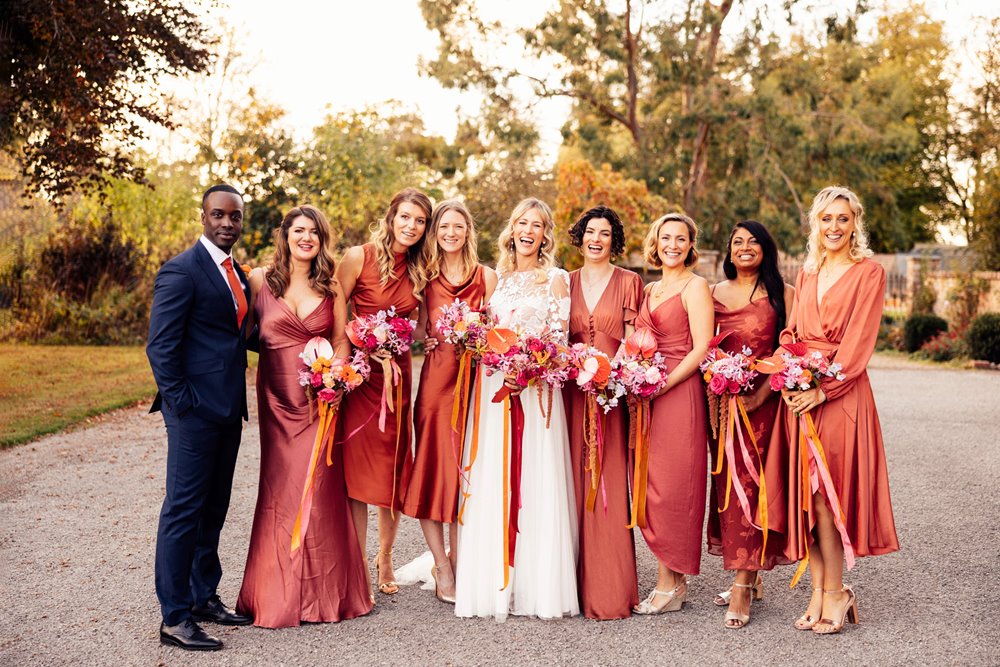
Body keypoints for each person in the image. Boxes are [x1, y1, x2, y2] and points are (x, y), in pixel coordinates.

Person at [765, 186, 899, 634]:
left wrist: (823, 391)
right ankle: (819, 592)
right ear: (815, 224)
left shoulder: (869, 273)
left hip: (838, 397)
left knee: (829, 496)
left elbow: (858, 342)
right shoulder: (806, 272)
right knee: (809, 495)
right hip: (800, 392)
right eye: (826, 219)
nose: (835, 227)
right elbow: (793, 332)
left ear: (855, 223)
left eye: (843, 218)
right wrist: (786, 370)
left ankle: (838, 594)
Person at [235, 205, 373, 627]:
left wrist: (335, 378)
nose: (306, 237)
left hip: (320, 401)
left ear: (321, 238)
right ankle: (274, 591)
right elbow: (238, 333)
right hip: (276, 403)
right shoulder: (260, 280)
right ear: (286, 235)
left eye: (314, 231)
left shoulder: (331, 285)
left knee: (320, 484)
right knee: (280, 492)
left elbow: (340, 340)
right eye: (299, 230)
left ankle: (327, 593)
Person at [454, 198, 579, 621]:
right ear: (512, 229)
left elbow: (560, 344)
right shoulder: (498, 279)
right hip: (495, 389)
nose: (528, 230)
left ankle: (537, 584)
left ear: (546, 234)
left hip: (536, 392)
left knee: (535, 477)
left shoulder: (557, 279)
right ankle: (492, 578)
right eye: (522, 223)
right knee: (495, 476)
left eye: (538, 225)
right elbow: (487, 334)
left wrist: (527, 369)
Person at [147, 184, 253, 651]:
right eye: (218, 214)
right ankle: (174, 617)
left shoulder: (238, 274)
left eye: (234, 216)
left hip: (229, 408)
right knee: (183, 510)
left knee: (214, 508)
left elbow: (238, 336)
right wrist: (182, 403)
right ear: (204, 216)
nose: (227, 223)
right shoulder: (181, 271)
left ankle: (203, 596)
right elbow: (160, 347)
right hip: (194, 413)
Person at [335, 188, 431, 597]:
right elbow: (337, 303)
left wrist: (416, 341)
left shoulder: (423, 269)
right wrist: (350, 345)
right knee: (358, 472)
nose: (411, 226)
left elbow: (423, 328)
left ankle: (386, 555)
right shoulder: (359, 257)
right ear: (391, 217)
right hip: (361, 375)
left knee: (391, 471)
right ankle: (357, 562)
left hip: (398, 375)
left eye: (420, 220)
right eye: (405, 217)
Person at [402, 200, 497, 603]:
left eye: (458, 226)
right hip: (437, 385)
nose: (451, 233)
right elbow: (414, 329)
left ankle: (461, 559)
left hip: (475, 384)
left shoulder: (487, 277)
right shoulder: (423, 278)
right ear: (435, 232)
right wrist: (429, 337)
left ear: (468, 231)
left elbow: (500, 330)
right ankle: (442, 567)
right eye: (444, 226)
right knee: (432, 472)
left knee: (466, 476)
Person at [705, 220, 794, 629]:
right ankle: (749, 573)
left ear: (766, 249)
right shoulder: (713, 293)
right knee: (729, 486)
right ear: (728, 250)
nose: (744, 247)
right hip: (723, 407)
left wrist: (761, 394)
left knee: (757, 487)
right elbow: (703, 346)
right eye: (737, 241)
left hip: (765, 406)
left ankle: (742, 585)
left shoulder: (783, 295)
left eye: (752, 241)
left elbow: (791, 350)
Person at [631, 213, 713, 615]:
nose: (673, 245)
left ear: (690, 244)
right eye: (667, 238)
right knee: (651, 483)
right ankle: (674, 580)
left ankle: (667, 585)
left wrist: (662, 384)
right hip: (649, 393)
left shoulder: (696, 286)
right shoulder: (650, 289)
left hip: (679, 394)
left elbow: (701, 349)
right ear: (656, 242)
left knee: (675, 485)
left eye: (681, 238)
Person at [562, 206, 642, 620]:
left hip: (611, 398)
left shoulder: (630, 282)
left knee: (608, 487)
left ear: (614, 240)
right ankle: (566, 588)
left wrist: (614, 375)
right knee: (570, 484)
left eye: (605, 233)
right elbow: (554, 339)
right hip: (571, 398)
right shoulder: (564, 282)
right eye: (590, 231)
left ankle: (609, 590)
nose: (596, 239)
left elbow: (634, 342)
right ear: (580, 236)